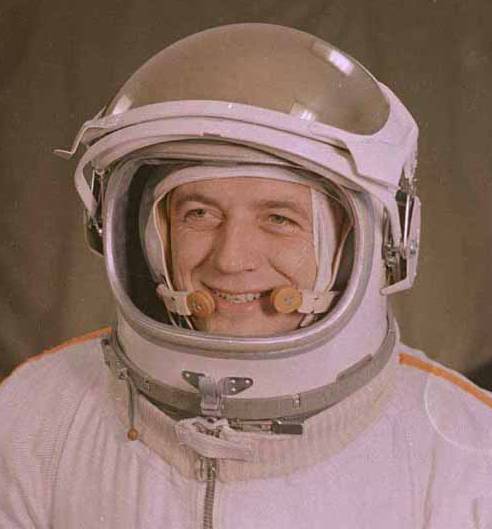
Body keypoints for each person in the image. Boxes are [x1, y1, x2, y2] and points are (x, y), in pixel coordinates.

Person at [1, 23, 491, 529]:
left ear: (368, 244)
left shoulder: (469, 459)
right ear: (148, 236)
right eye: (199, 214)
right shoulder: (35, 419)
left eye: (279, 219)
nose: (231, 260)